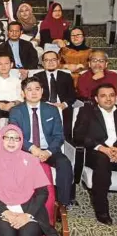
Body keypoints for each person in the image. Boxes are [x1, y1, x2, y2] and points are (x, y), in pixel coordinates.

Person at [0, 124, 62, 236]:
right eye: (8, 137)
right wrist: (6, 212)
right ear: (1, 138)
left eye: (16, 138)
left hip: (30, 211)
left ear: (21, 141)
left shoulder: (31, 161)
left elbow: (42, 193)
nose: (11, 141)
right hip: (0, 211)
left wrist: (27, 215)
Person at [9, 77, 74, 207]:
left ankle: (63, 205)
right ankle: (19, 201)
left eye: (37, 89)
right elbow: (15, 136)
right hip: (25, 150)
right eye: (29, 89)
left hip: (49, 149)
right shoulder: (16, 111)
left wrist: (48, 152)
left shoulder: (52, 110)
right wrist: (32, 148)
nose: (34, 93)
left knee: (64, 163)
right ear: (23, 93)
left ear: (42, 91)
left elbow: (59, 136)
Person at [73, 84, 117, 224]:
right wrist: (101, 147)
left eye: (111, 95)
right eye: (103, 96)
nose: (108, 99)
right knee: (102, 161)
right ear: (97, 99)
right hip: (95, 153)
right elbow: (78, 136)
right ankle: (102, 210)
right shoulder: (87, 112)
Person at [34, 51, 77, 139]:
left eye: (53, 60)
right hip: (44, 106)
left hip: (63, 107)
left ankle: (66, 144)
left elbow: (72, 95)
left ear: (58, 61)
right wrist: (48, 104)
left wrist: (63, 105)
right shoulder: (37, 77)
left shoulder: (66, 76)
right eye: (47, 60)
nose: (50, 62)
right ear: (42, 63)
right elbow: (34, 95)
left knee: (68, 116)